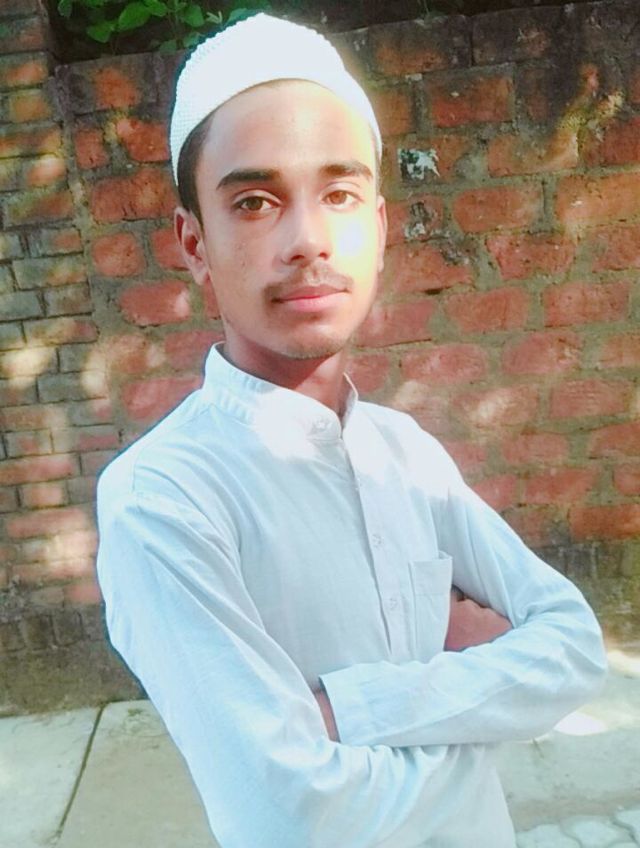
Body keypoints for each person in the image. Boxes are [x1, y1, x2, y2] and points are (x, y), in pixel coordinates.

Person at [96, 13, 607, 848]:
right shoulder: (163, 501)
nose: (307, 241)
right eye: (254, 202)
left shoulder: (406, 453)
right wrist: (486, 693)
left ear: (379, 225)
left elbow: (576, 647)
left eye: (338, 195)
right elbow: (289, 816)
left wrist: (348, 708)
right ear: (194, 242)